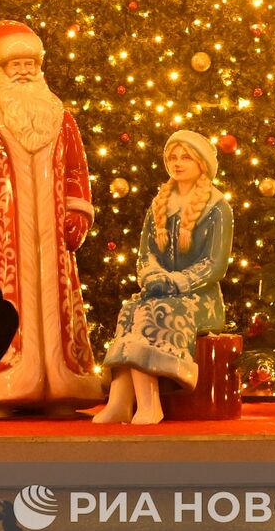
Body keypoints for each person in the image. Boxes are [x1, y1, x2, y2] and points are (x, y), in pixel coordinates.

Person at [0, 20, 102, 416]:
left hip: (51, 231)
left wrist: (78, 209)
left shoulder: (60, 116)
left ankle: (60, 386)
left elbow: (77, 170)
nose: (25, 71)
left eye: (31, 63)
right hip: (0, 233)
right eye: (16, 64)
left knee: (55, 305)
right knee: (3, 301)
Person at [94, 131, 233, 425]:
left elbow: (214, 264)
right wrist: (153, 275)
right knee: (131, 308)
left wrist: (176, 282)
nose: (177, 163)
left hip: (201, 297)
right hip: (159, 289)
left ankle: (150, 404)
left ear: (202, 164)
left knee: (155, 313)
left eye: (186, 157)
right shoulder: (159, 204)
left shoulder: (218, 208)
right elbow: (146, 254)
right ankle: (120, 400)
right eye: (173, 157)